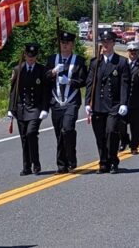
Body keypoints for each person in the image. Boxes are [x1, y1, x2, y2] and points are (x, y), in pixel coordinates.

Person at [85, 30, 130, 174]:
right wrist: (87, 103)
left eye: (108, 42)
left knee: (111, 132)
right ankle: (103, 162)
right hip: (98, 104)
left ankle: (113, 160)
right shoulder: (95, 63)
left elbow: (125, 84)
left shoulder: (121, 62)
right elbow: (90, 84)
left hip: (114, 104)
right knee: (100, 136)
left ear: (113, 43)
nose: (105, 45)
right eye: (103, 42)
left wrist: (124, 103)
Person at [45, 31, 87, 174]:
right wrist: (53, 72)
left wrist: (69, 81)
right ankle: (61, 165)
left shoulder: (79, 60)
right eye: (62, 43)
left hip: (71, 101)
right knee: (59, 133)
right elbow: (45, 77)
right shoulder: (52, 59)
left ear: (72, 44)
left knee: (67, 129)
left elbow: (83, 81)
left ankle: (71, 158)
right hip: (56, 101)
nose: (65, 45)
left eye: (67, 43)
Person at [8, 43, 49, 176]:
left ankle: (36, 163)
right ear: (25, 55)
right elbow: (13, 91)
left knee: (31, 134)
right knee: (24, 138)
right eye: (28, 56)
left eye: (33, 56)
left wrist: (45, 108)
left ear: (36, 56)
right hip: (21, 108)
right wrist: (11, 109)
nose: (31, 58)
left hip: (35, 109)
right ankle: (26, 166)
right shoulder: (18, 69)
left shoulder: (42, 70)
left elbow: (45, 92)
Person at [121, 41, 139, 154]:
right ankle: (125, 140)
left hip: (137, 100)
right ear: (128, 52)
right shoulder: (122, 64)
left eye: (135, 51)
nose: (133, 53)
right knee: (120, 124)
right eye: (131, 51)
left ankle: (134, 146)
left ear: (138, 52)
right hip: (124, 100)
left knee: (135, 125)